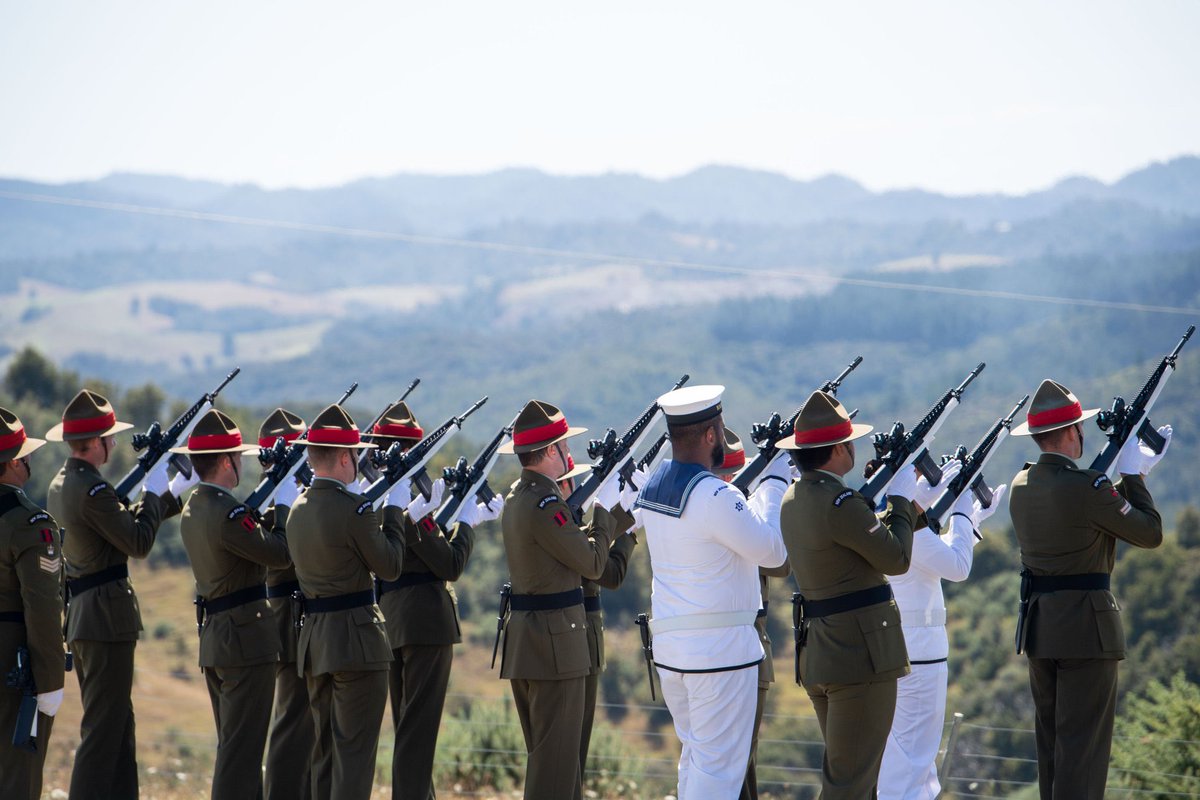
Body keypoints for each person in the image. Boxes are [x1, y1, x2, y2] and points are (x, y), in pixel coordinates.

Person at [777, 390, 952, 800]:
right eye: (849, 442)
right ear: (838, 449)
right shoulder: (840, 502)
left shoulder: (795, 498)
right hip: (859, 658)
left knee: (857, 777)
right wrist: (901, 499)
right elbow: (896, 558)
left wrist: (900, 509)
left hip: (823, 653)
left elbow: (858, 541)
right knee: (851, 785)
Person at [1008, 379, 1166, 800]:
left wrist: (1116, 478)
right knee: (1083, 752)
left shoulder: (1021, 484)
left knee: (1052, 750)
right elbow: (1150, 532)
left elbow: (1080, 506)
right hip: (1086, 632)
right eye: (1080, 427)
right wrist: (1133, 475)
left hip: (1040, 629)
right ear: (1070, 432)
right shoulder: (1088, 488)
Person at [632, 385, 791, 800]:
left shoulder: (655, 485)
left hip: (674, 650)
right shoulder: (715, 493)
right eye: (719, 429)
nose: (722, 436)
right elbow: (773, 552)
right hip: (719, 654)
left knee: (696, 761)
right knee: (718, 774)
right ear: (709, 434)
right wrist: (774, 483)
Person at [45, 389, 196, 800]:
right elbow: (138, 541)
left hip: (88, 616)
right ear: (95, 442)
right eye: (109, 436)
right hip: (104, 620)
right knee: (103, 731)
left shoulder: (65, 483)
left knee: (118, 727)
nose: (114, 443)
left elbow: (116, 527)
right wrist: (153, 490)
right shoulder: (92, 490)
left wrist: (167, 493)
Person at [287, 403, 429, 800]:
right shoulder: (355, 510)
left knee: (325, 755)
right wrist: (395, 509)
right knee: (354, 757)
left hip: (315, 643)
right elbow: (391, 566)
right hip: (356, 645)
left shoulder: (296, 510)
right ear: (345, 457)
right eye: (355, 454)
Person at [497, 399, 635, 800]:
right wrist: (605, 508)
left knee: (557, 768)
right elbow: (592, 563)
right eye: (563, 446)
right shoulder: (545, 504)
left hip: (535, 645)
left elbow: (574, 553)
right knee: (554, 776)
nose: (569, 453)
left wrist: (621, 518)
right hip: (555, 649)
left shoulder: (522, 496)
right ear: (548, 452)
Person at [367, 401, 503, 800]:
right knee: (418, 735)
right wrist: (468, 521)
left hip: (391, 620)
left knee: (408, 729)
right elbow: (449, 563)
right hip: (425, 623)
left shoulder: (375, 497)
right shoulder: (407, 500)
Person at [174, 409, 295, 800]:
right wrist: (285, 504)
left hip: (219, 639)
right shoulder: (227, 513)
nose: (242, 462)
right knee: (241, 756)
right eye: (238, 457)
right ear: (227, 462)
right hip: (245, 642)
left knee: (237, 749)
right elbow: (280, 554)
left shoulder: (196, 506)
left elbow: (248, 542)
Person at [878, 481, 1005, 799]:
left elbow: (939, 553)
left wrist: (972, 519)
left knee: (907, 753)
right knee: (914, 755)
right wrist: (962, 508)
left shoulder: (891, 525)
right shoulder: (909, 528)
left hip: (903, 647)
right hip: (921, 652)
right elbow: (957, 566)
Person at [714, 430, 791, 800]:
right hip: (742, 648)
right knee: (737, 767)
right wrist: (771, 493)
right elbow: (779, 563)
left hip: (737, 646)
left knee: (739, 765)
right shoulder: (733, 518)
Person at [556, 456, 639, 785]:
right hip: (578, 637)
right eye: (571, 482)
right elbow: (611, 572)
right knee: (572, 749)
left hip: (576, 635)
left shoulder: (567, 527)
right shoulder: (566, 531)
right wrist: (629, 530)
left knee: (569, 750)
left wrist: (622, 514)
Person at [0, 407, 65, 800]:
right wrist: (51, 681)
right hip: (12, 667)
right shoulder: (28, 523)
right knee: (17, 780)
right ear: (12, 463)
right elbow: (42, 608)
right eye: (24, 456)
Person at [256, 407, 314, 800]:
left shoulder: (286, 495)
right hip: (289, 619)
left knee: (305, 724)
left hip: (297, 616)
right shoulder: (274, 501)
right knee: (293, 721)